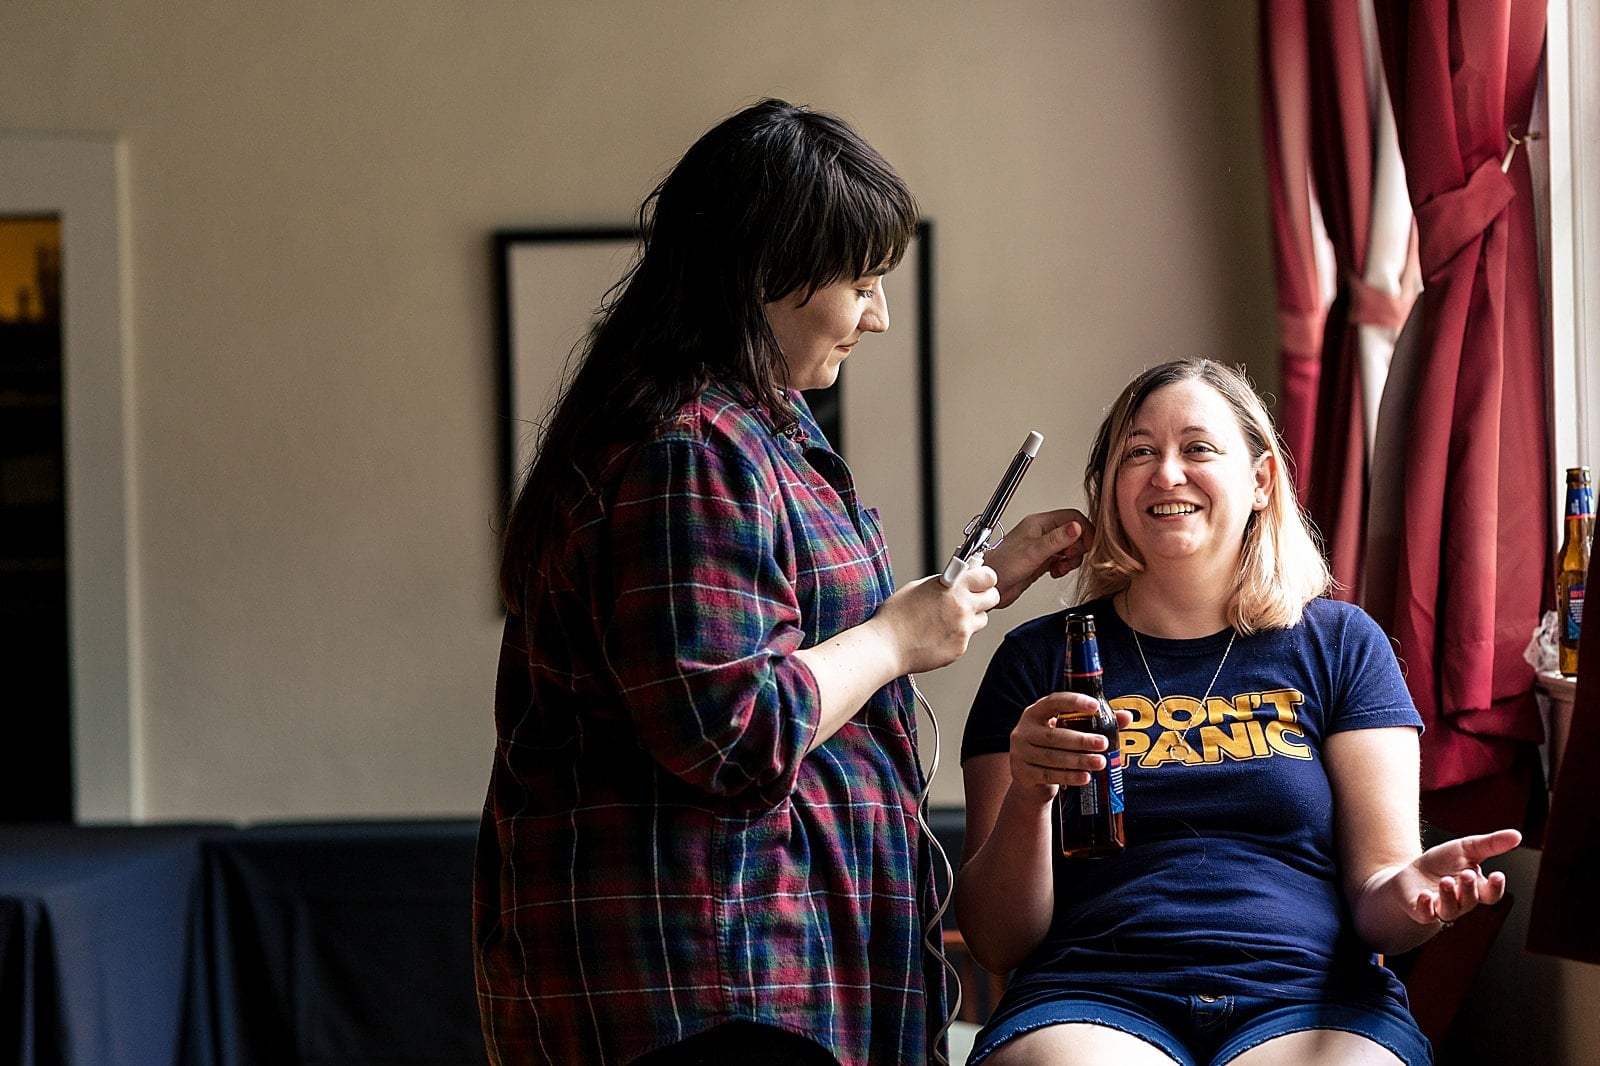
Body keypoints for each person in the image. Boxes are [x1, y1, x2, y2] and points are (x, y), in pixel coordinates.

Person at [472, 98, 1092, 1066]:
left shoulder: (761, 428)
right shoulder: (688, 450)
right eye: (864, 282)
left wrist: (959, 594)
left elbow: (794, 642)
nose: (878, 317)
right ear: (769, 273)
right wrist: (891, 641)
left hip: (769, 974)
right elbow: (735, 728)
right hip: (712, 983)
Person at [954, 358, 1521, 1066]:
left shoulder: (1342, 645)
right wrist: (1031, 799)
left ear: (1260, 481)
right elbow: (997, 940)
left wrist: (1412, 892)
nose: (1166, 473)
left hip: (1312, 994)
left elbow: (1379, 901)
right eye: (1139, 452)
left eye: (1197, 449)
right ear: (1109, 493)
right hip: (1092, 996)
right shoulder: (1038, 660)